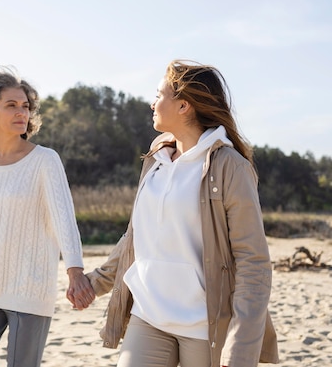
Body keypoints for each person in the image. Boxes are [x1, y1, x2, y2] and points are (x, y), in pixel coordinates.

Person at [83, 60, 279, 367]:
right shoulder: (156, 157)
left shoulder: (230, 167)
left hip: (205, 324)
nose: (153, 103)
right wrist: (96, 282)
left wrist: (240, 347)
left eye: (159, 95)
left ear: (184, 105)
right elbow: (137, 236)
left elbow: (253, 261)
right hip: (147, 314)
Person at [0, 65, 95, 367]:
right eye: (11, 105)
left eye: (26, 106)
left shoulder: (45, 160)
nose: (22, 113)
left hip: (28, 287)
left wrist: (75, 271)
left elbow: (63, 218)